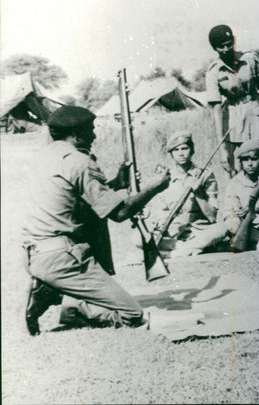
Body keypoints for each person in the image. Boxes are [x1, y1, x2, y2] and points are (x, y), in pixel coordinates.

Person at [21, 106, 170, 335]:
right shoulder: (80, 162)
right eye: (90, 130)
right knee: (133, 314)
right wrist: (155, 187)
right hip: (65, 258)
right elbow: (119, 213)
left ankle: (50, 286)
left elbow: (77, 201)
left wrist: (115, 185)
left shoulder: (42, 157)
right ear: (77, 134)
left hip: (35, 254)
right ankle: (72, 307)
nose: (94, 136)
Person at [205, 24, 259, 175]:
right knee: (238, 170)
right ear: (214, 49)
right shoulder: (214, 71)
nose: (225, 50)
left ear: (233, 42)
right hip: (234, 119)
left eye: (228, 45)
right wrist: (221, 147)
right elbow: (216, 109)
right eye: (220, 47)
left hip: (258, 112)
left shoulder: (249, 59)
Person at [140, 131, 225, 257]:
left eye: (185, 148)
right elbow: (160, 211)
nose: (181, 153)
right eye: (176, 150)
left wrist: (198, 192)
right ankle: (187, 249)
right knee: (137, 238)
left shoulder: (205, 175)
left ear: (192, 150)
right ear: (171, 154)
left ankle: (174, 252)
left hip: (198, 230)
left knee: (222, 230)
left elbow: (212, 216)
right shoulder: (165, 177)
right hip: (172, 231)